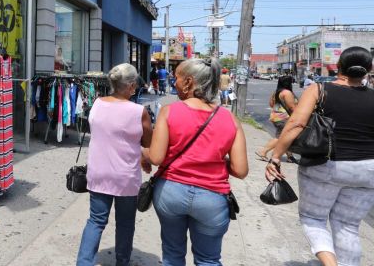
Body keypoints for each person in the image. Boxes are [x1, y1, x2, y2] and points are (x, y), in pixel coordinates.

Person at [266, 47, 374, 266]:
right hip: (368, 170)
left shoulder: (319, 89)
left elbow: (296, 123)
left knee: (313, 219)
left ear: (338, 67)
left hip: (325, 165)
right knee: (348, 225)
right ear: (369, 69)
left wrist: (276, 156)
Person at [147, 58, 248, 266]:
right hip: (212, 198)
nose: (174, 82)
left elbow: (156, 157)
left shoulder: (169, 111)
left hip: (171, 192)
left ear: (188, 82)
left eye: (176, 78)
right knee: (208, 260)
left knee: (172, 255)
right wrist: (212, 159)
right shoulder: (230, 119)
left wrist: (142, 153)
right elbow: (240, 170)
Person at [77, 64, 153, 266]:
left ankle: (84, 262)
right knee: (125, 223)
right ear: (131, 85)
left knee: (95, 221)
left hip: (99, 172)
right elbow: (148, 142)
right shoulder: (139, 111)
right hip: (125, 177)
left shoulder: (97, 104)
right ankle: (122, 261)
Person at [256, 75, 297, 162]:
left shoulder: (276, 92)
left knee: (286, 136)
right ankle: (263, 151)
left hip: (276, 117)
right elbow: (292, 107)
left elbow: (271, 104)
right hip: (284, 118)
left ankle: (290, 156)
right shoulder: (287, 93)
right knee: (281, 137)